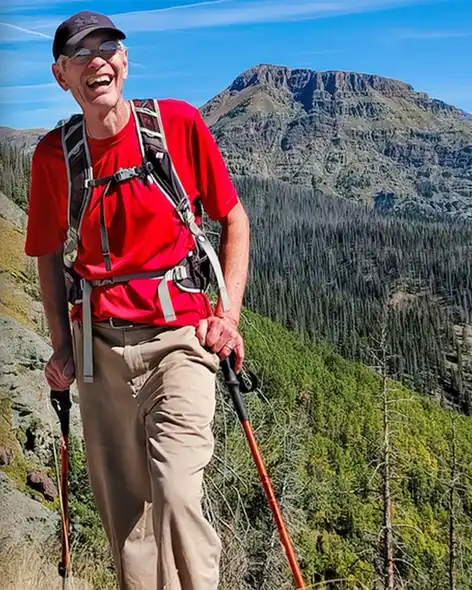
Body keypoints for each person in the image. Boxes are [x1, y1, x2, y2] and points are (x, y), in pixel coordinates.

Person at [23, 10, 251, 590]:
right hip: (98, 351)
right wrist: (61, 348)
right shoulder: (54, 158)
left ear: (125, 62)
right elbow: (48, 256)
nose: (97, 60)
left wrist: (228, 317)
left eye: (108, 48)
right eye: (81, 55)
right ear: (62, 76)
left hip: (182, 340)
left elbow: (233, 220)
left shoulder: (176, 125)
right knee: (127, 520)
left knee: (176, 493)